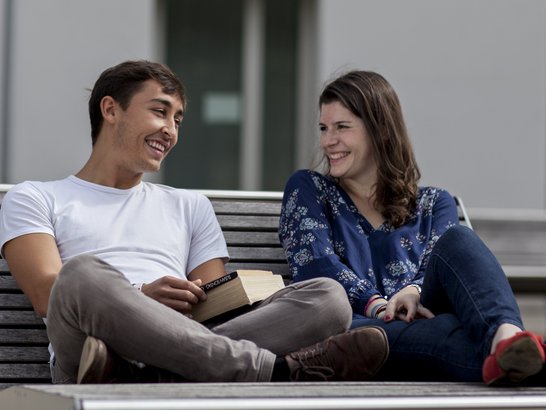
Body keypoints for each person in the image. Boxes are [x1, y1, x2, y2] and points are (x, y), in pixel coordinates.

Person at [0, 61, 390, 384]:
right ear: (110, 109)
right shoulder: (35, 197)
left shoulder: (189, 205)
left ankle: (149, 376)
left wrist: (191, 300)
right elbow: (48, 294)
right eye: (159, 111)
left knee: (328, 298)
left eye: (178, 119)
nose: (170, 130)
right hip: (89, 350)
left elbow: (215, 305)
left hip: (156, 352)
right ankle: (269, 371)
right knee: (80, 274)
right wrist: (139, 296)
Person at [278, 70, 546, 385]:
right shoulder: (309, 189)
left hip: (430, 321)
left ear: (381, 133)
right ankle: (509, 349)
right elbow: (315, 267)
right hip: (362, 334)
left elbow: (440, 261)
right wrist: (378, 305)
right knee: (446, 333)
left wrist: (413, 291)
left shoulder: (435, 203)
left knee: (459, 239)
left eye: (342, 127)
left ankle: (505, 336)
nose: (327, 141)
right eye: (324, 128)